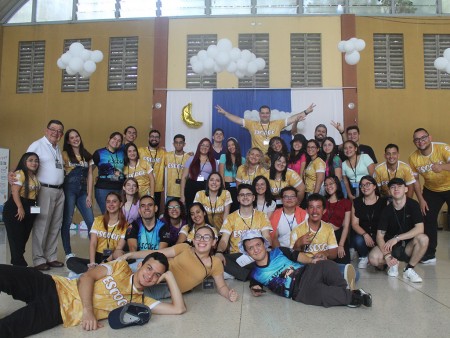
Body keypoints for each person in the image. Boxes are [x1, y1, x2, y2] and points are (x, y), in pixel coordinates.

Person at [0, 252, 185, 336]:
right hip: (53, 284)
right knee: (5, 273)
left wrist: (169, 277)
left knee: (8, 328)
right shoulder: (120, 267)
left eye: (157, 275)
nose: (150, 275)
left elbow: (178, 309)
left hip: (59, 311)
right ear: (141, 265)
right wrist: (88, 311)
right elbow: (87, 277)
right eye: (149, 268)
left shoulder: (141, 301)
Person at [241, 230, 372, 308]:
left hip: (307, 271)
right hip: (300, 292)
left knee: (327, 265)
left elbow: (296, 255)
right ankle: (355, 298)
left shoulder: (278, 251)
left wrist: (312, 260)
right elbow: (255, 286)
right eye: (250, 248)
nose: (256, 249)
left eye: (258, 245)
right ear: (247, 252)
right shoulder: (255, 274)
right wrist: (256, 290)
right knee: (324, 294)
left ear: (264, 244)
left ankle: (344, 292)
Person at [119, 226, 238, 301]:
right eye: (198, 236)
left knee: (128, 295)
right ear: (194, 239)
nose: (202, 240)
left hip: (168, 288)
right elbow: (158, 253)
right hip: (154, 270)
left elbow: (221, 286)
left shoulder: (215, 263)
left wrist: (228, 294)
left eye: (206, 237)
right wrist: (131, 254)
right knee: (118, 274)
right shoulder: (185, 247)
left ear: (213, 242)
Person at [368, 178, 428, 282]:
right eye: (392, 187)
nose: (396, 189)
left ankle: (409, 269)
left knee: (423, 239)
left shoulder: (413, 205)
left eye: (399, 186)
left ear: (406, 189)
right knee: (373, 258)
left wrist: (397, 238)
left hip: (408, 246)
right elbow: (379, 236)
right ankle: (393, 264)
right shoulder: (386, 210)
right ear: (389, 191)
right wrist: (387, 256)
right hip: (389, 247)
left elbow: (420, 229)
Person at [27, 119, 65, 270]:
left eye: (59, 131)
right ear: (46, 130)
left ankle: (51, 256)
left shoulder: (57, 148)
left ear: (61, 134)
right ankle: (38, 259)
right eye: (53, 129)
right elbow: (27, 164)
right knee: (42, 225)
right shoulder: (37, 145)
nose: (56, 133)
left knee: (55, 225)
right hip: (44, 190)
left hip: (59, 190)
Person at [409, 128, 450, 264]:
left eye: (423, 138)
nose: (421, 141)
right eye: (417, 139)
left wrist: (442, 167)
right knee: (428, 219)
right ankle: (430, 254)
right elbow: (415, 181)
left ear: (430, 137)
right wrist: (420, 199)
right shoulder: (413, 158)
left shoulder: (442, 148)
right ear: (414, 142)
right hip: (431, 190)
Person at [215, 184, 272, 281]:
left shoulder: (262, 216)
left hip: (256, 254)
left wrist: (266, 250)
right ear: (238, 198)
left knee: (270, 256)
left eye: (248, 194)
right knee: (218, 260)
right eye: (242, 195)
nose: (245, 197)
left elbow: (267, 236)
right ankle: (254, 274)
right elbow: (224, 240)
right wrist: (219, 252)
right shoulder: (230, 218)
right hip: (237, 256)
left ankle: (238, 274)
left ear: (253, 197)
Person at [66, 192, 127, 274]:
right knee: (71, 261)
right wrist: (92, 263)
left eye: (114, 201)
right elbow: (93, 243)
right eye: (108, 202)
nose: (111, 204)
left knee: (124, 263)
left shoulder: (125, 225)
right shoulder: (98, 220)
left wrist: (104, 263)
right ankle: (94, 272)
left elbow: (119, 248)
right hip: (98, 257)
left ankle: (94, 273)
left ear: (120, 204)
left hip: (112, 258)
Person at [215, 103, 315, 153]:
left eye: (267, 113)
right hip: (257, 159)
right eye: (262, 113)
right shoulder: (252, 124)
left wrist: (306, 111)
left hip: (274, 157)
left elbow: (293, 118)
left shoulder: (278, 123)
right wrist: (225, 113)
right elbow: (237, 120)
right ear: (259, 114)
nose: (265, 115)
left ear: (270, 114)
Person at [61, 129, 94, 260]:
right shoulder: (64, 154)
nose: (75, 139)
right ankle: (68, 253)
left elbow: (90, 175)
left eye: (77, 136)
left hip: (83, 192)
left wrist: (89, 195)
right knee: (67, 221)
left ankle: (94, 252)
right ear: (68, 141)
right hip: (69, 189)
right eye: (72, 137)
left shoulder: (87, 155)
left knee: (91, 222)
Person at [3, 152, 40, 266]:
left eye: (36, 161)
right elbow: (15, 191)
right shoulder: (20, 173)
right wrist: (20, 207)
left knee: (23, 238)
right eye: (30, 160)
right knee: (17, 239)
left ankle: (17, 262)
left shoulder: (34, 176)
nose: (34, 163)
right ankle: (19, 265)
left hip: (30, 207)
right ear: (24, 162)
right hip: (16, 207)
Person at [351, 175, 388, 269]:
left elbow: (388, 223)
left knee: (381, 267)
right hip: (365, 236)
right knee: (357, 240)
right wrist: (365, 234)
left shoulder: (384, 202)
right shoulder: (357, 202)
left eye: (368, 184)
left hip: (380, 236)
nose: (364, 187)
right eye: (362, 185)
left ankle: (376, 256)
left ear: (374, 186)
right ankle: (364, 257)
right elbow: (354, 224)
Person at [290, 194, 338, 263]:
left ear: (324, 211)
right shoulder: (297, 230)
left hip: (323, 265)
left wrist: (325, 253)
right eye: (311, 207)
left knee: (353, 272)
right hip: (305, 265)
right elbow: (292, 256)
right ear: (307, 210)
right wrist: (298, 244)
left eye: (318, 207)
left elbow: (334, 254)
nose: (315, 211)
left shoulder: (328, 228)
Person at [88, 131, 125, 214]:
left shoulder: (123, 153)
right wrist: (89, 195)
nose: (116, 141)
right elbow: (90, 172)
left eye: (119, 140)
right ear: (109, 139)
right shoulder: (99, 153)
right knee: (107, 214)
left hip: (119, 189)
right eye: (114, 139)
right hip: (103, 188)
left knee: (119, 214)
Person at [323, 176, 352, 264]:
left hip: (338, 236)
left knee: (343, 267)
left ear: (337, 185)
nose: (328, 187)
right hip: (323, 236)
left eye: (331, 184)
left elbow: (346, 226)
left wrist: (341, 245)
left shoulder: (346, 202)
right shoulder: (322, 201)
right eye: (326, 185)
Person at [180, 138, 216, 208]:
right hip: (191, 186)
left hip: (206, 188)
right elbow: (184, 177)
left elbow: (217, 178)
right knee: (191, 210)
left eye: (207, 146)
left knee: (205, 210)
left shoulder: (213, 161)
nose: (204, 147)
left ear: (210, 148)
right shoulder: (191, 159)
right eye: (202, 145)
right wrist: (182, 195)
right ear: (199, 146)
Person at [139, 130, 166, 211]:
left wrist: (188, 155)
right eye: (152, 136)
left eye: (156, 137)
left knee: (155, 211)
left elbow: (175, 157)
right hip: (142, 187)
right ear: (148, 138)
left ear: (160, 139)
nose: (154, 138)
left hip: (157, 188)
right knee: (141, 211)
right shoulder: (140, 151)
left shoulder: (163, 153)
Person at [219, 137, 244, 212]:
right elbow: (221, 174)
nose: (231, 147)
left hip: (237, 187)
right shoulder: (223, 157)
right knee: (226, 209)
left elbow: (243, 176)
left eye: (232, 144)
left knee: (236, 209)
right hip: (226, 186)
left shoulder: (243, 159)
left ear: (236, 145)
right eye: (228, 145)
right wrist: (223, 189)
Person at [164, 134, 189, 201]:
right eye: (176, 142)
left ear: (184, 144)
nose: (178, 144)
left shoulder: (189, 157)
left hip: (184, 193)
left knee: (183, 211)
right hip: (170, 193)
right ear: (173, 144)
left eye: (180, 142)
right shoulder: (167, 155)